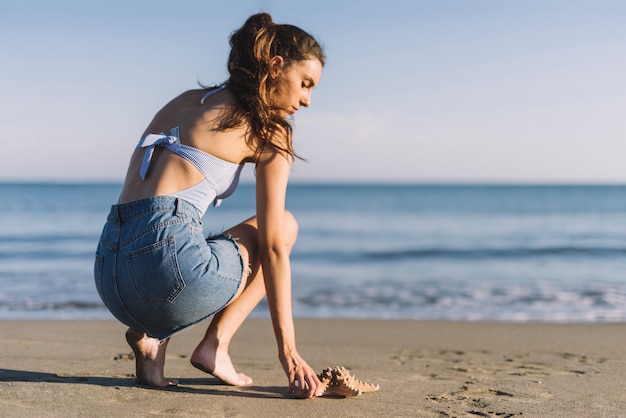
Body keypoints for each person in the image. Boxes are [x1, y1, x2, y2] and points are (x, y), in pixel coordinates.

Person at [94, 12, 325, 399]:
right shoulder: (270, 132)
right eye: (305, 83)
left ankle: (153, 343)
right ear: (275, 66)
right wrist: (289, 353)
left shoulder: (184, 102)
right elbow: (271, 247)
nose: (307, 99)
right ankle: (214, 346)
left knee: (182, 229)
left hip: (109, 275)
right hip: (165, 277)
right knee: (284, 226)